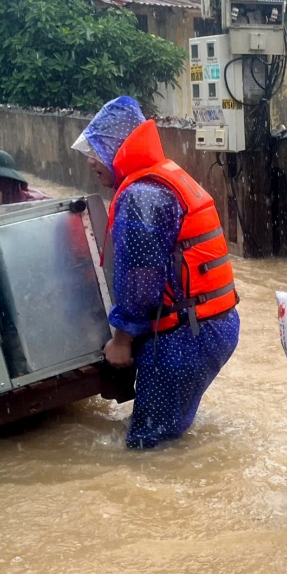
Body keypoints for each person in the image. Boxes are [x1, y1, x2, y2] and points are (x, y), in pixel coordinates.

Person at [72, 96, 240, 449]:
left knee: (148, 449)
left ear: (120, 150)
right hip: (211, 324)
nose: (90, 159)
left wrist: (121, 340)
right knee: (169, 430)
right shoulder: (164, 176)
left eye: (99, 149)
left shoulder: (141, 195)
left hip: (185, 337)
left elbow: (141, 284)